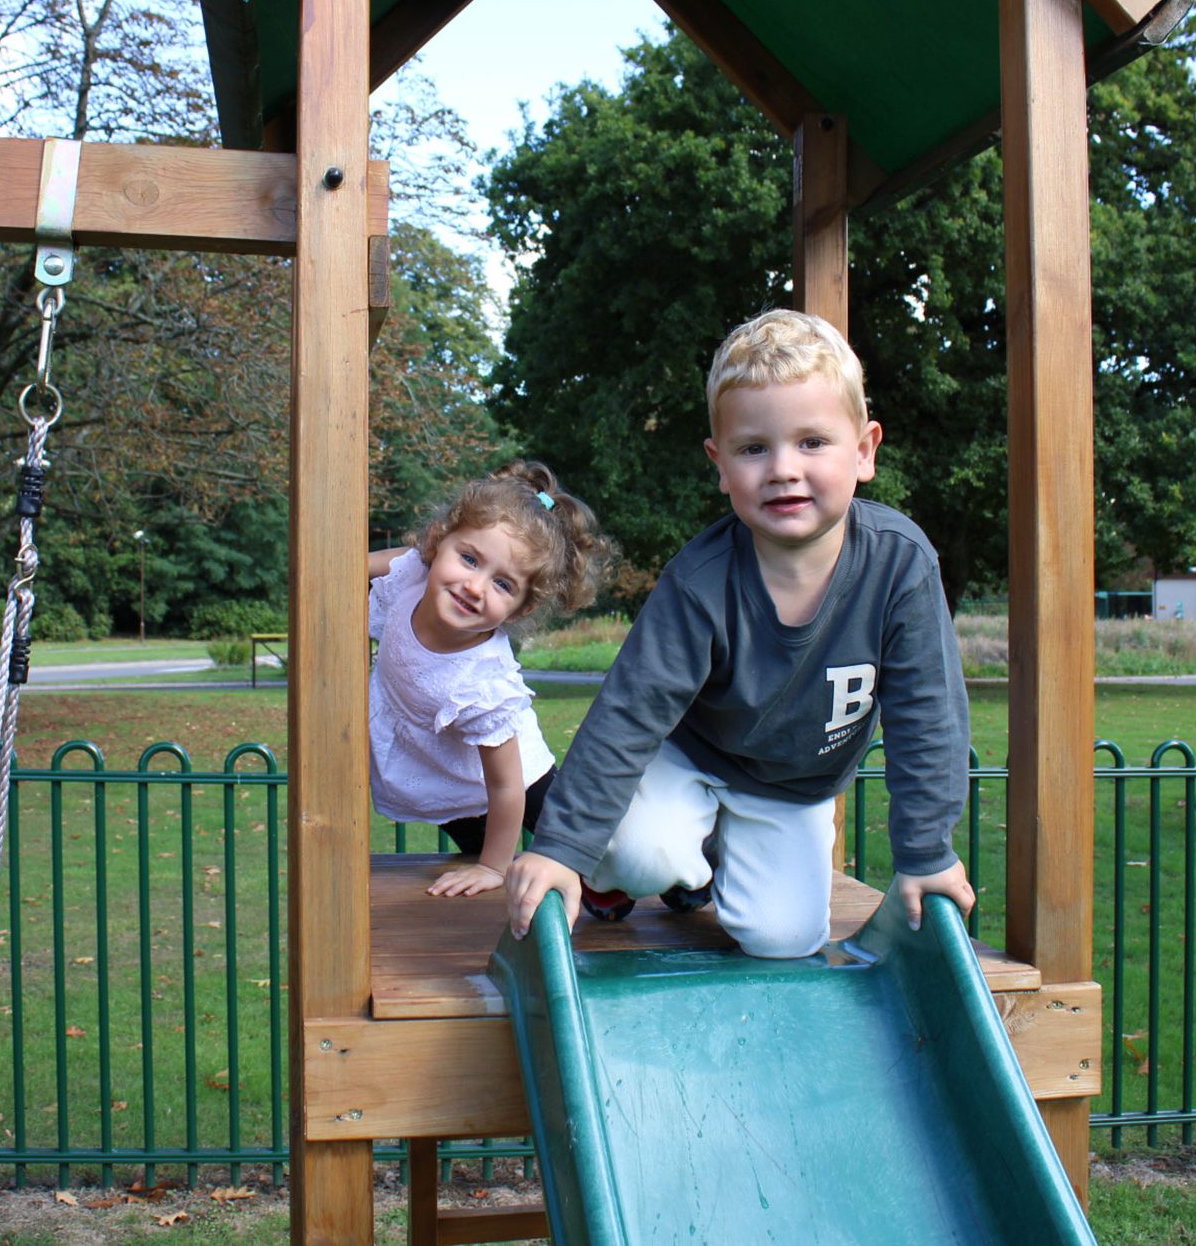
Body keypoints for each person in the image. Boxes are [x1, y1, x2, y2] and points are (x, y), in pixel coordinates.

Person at [505, 309, 974, 958]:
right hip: (692, 757)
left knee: (785, 939)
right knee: (645, 851)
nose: (783, 467)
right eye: (755, 448)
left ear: (864, 450)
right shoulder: (702, 580)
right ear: (720, 464)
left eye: (812, 442)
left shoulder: (900, 565)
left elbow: (929, 718)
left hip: (792, 787)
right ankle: (622, 872)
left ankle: (710, 866)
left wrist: (926, 852)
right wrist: (560, 847)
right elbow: (628, 713)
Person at [368, 461, 611, 898]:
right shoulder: (409, 575)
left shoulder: (482, 682)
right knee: (472, 849)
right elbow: (347, 567)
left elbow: (506, 785)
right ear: (435, 544)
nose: (475, 586)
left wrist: (493, 869)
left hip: (521, 778)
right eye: (468, 559)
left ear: (519, 610)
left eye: (502, 583)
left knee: (580, 846)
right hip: (447, 773)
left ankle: (638, 879)